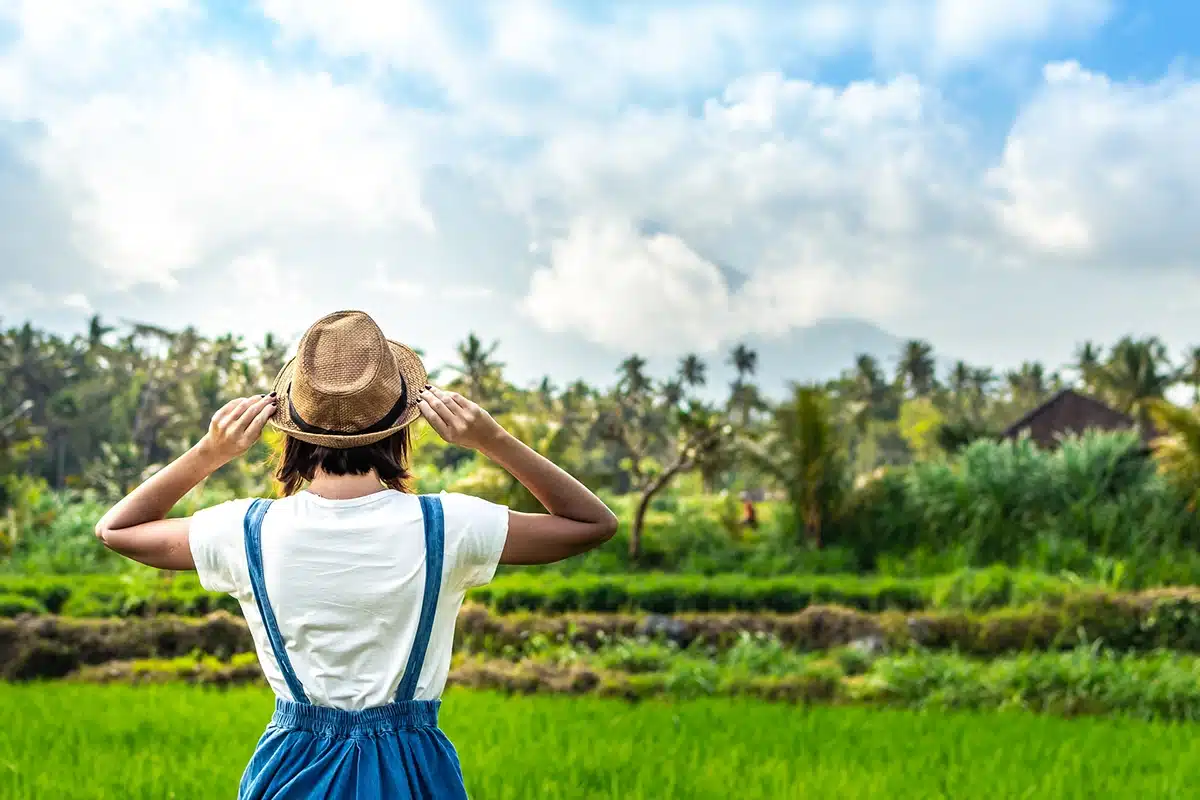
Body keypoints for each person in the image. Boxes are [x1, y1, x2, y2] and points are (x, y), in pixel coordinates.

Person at [94, 310, 619, 799]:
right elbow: (591, 524)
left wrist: (210, 452)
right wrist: (494, 439)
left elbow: (118, 529)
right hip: (413, 769)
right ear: (403, 427)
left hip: (290, 769)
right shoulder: (449, 525)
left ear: (288, 426)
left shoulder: (246, 529)